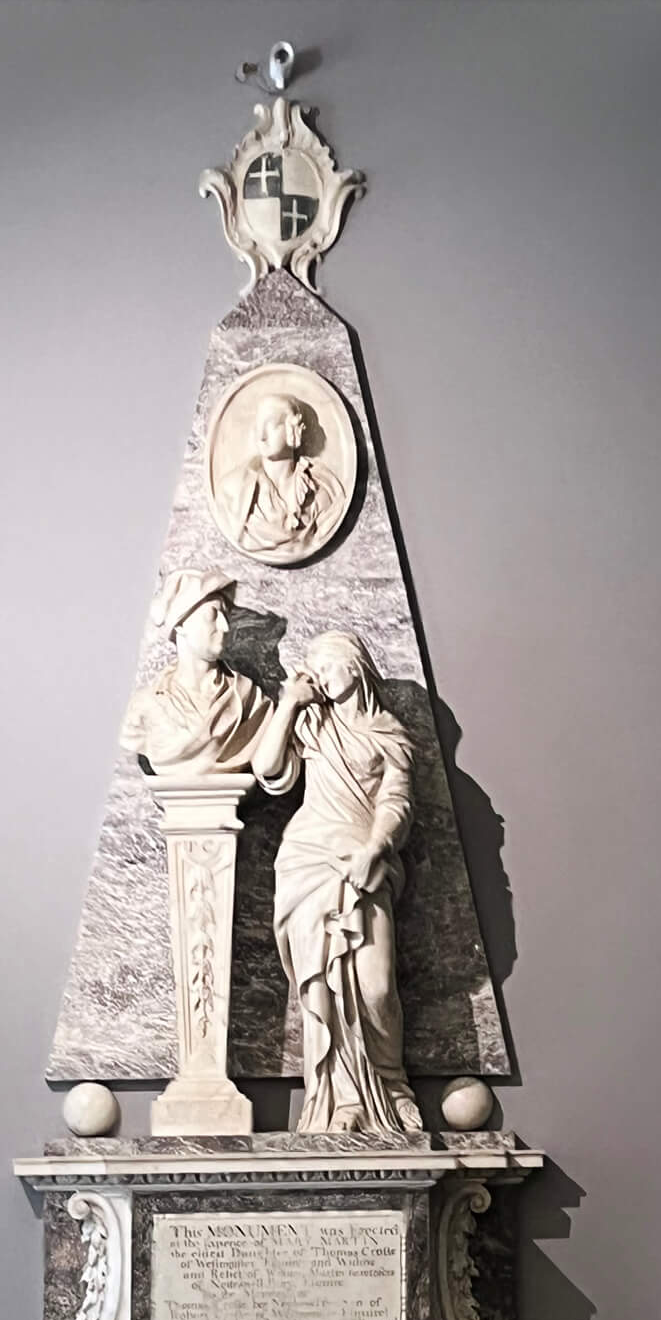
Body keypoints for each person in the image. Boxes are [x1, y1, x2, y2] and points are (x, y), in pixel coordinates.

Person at [253, 630, 423, 1135]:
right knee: (321, 989)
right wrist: (288, 703)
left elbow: (398, 802)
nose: (320, 675)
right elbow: (266, 768)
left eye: (327, 664)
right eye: (313, 667)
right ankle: (341, 1100)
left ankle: (391, 1085)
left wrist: (376, 847)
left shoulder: (387, 732)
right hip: (307, 860)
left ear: (355, 665)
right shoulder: (312, 724)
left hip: (363, 860)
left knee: (375, 986)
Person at [119, 568, 271, 773]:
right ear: (180, 624)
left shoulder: (250, 699)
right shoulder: (143, 706)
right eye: (213, 615)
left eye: (225, 616)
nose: (225, 627)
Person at [227, 393, 341, 557]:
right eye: (258, 426)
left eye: (271, 426)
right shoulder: (233, 492)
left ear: (292, 430)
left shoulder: (320, 492)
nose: (262, 436)